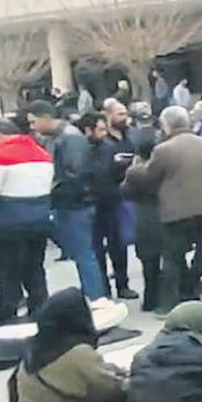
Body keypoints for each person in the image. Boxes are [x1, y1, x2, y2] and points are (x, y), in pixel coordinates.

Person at [9, 288, 127, 402]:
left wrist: (117, 371)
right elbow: (113, 391)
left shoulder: (38, 348)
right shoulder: (77, 353)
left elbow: (85, 374)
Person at [129, 106, 202, 312]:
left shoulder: (163, 150)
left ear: (166, 126)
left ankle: (168, 305)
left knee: (172, 259)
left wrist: (134, 169)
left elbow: (149, 178)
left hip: (176, 213)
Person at [29, 101, 109, 302]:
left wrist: (52, 191)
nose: (32, 127)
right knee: (82, 254)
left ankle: (95, 298)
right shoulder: (55, 137)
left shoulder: (70, 137)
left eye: (33, 121)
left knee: (84, 255)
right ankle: (92, 293)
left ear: (45, 117)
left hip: (75, 204)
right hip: (66, 203)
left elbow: (75, 174)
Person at [0, 118, 53, 323]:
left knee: (7, 269)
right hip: (40, 219)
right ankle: (40, 308)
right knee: (35, 268)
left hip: (8, 222)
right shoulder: (42, 153)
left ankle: (8, 310)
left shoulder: (0, 156)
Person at [78, 112, 137, 300]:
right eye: (100, 129)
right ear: (88, 130)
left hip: (111, 201)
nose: (104, 134)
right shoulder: (81, 150)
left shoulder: (109, 148)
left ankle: (122, 284)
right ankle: (102, 286)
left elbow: (117, 173)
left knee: (117, 245)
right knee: (96, 248)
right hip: (90, 203)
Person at [120, 127, 162, 311]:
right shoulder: (164, 168)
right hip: (165, 213)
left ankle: (150, 299)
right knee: (171, 259)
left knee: (149, 262)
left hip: (143, 217)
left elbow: (125, 192)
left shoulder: (134, 173)